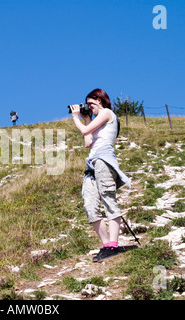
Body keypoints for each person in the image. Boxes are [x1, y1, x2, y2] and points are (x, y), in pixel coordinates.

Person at [70, 88, 131, 262]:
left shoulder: (107, 113)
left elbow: (84, 131)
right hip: (92, 165)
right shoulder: (97, 119)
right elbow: (88, 141)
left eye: (91, 104)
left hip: (104, 161)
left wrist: (76, 118)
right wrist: (87, 118)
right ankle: (106, 246)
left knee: (108, 199)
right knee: (90, 206)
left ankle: (113, 244)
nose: (89, 107)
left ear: (100, 100)